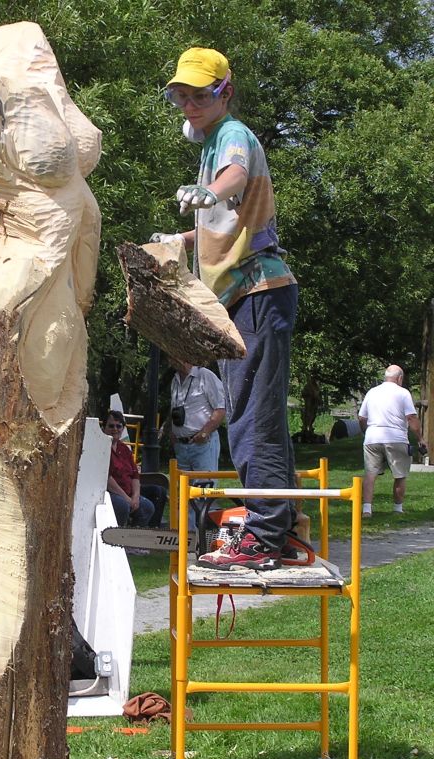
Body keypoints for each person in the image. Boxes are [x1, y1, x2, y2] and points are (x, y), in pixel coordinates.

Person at [152, 47, 297, 569]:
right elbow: (222, 220)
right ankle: (285, 524)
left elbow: (232, 177)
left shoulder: (231, 136)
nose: (189, 106)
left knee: (249, 419)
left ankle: (263, 536)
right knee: (261, 417)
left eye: (199, 96)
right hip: (250, 298)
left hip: (258, 294)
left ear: (224, 93)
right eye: (181, 97)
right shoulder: (210, 142)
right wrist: (183, 237)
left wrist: (207, 191)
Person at [358, 365, 426, 517]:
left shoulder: (372, 392)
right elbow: (411, 418)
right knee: (400, 474)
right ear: (399, 378)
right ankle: (397, 509)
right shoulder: (403, 393)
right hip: (396, 438)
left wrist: (366, 432)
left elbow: (362, 417)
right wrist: (420, 438)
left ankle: (367, 509)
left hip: (372, 437)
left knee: (370, 474)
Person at [103, 409, 166, 528]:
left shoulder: (125, 449)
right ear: (104, 428)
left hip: (129, 492)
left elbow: (135, 475)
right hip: (112, 493)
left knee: (152, 500)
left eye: (118, 426)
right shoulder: (102, 448)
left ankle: (146, 534)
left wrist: (135, 497)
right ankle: (119, 537)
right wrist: (127, 499)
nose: (115, 429)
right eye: (111, 426)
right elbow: (107, 479)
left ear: (123, 428)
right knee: (123, 506)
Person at [170, 360, 225, 472]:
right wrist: (173, 434)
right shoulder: (175, 380)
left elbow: (221, 408)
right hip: (181, 446)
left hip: (203, 445)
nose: (172, 359)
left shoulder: (204, 375)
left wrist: (204, 433)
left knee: (204, 487)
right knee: (182, 488)